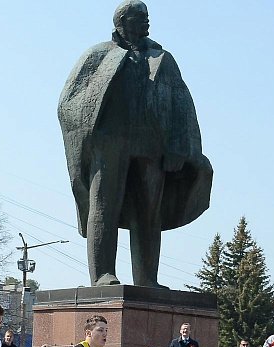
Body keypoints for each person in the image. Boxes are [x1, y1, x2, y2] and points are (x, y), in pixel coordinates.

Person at [58, 0, 212, 288]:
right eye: (139, 16)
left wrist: (179, 145)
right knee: (104, 206)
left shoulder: (162, 58)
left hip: (151, 145)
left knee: (149, 212)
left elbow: (181, 102)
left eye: (147, 16)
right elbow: (68, 102)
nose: (146, 21)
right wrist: (91, 135)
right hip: (110, 145)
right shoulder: (97, 55)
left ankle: (147, 280)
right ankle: (103, 274)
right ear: (121, 23)